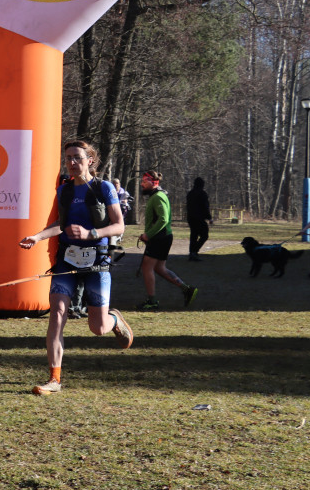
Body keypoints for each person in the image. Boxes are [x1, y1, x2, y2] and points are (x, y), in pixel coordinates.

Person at [19, 140, 133, 396]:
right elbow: (61, 224)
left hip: (97, 262)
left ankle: (113, 320)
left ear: (90, 160)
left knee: (97, 328)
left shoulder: (103, 188)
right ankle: (54, 379)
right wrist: (37, 237)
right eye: (68, 158)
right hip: (67, 260)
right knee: (57, 315)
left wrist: (91, 232)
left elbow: (119, 226)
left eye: (77, 158)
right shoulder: (64, 191)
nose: (71, 163)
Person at [138, 170, 197, 310]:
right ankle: (187, 289)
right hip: (162, 237)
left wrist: (148, 235)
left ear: (153, 182)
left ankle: (152, 301)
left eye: (144, 181)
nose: (142, 184)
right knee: (159, 268)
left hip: (160, 237)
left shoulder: (158, 196)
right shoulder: (157, 195)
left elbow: (163, 219)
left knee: (147, 268)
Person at [186, 177, 212, 261]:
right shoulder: (202, 194)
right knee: (204, 235)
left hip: (191, 217)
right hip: (199, 218)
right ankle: (194, 251)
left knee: (194, 235)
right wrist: (209, 218)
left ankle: (192, 253)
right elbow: (205, 207)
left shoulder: (190, 193)